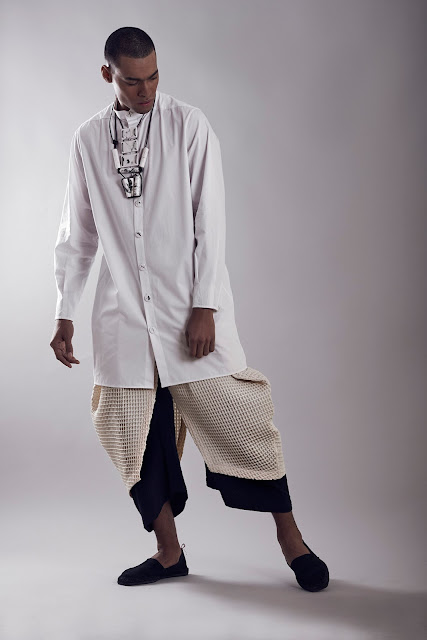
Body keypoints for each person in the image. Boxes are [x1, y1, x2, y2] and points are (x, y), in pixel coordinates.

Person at [50, 26, 329, 592]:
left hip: (187, 313)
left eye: (154, 77)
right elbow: (77, 233)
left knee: (241, 422)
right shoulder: (87, 139)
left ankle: (292, 541)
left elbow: (210, 220)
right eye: (133, 81)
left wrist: (205, 305)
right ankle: (169, 552)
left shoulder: (189, 126)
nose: (146, 90)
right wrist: (64, 312)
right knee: (131, 436)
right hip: (124, 319)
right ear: (108, 75)